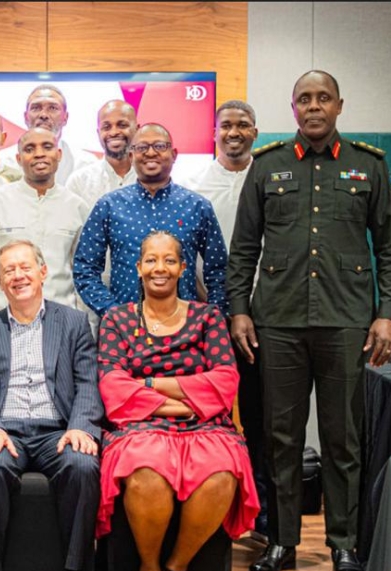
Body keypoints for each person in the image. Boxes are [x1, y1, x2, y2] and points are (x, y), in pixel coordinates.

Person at [228, 71, 391, 571]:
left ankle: (343, 545)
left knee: (342, 439)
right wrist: (240, 309)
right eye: (304, 99)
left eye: (323, 98)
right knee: (280, 437)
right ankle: (281, 542)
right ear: (293, 107)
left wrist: (386, 313)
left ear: (339, 106)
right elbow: (244, 249)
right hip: (276, 322)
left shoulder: (368, 167)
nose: (313, 106)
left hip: (346, 321)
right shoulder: (268, 166)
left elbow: (389, 248)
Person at [96, 230, 260, 571]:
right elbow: (114, 387)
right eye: (151, 260)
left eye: (169, 260)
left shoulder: (208, 318)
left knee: (221, 473)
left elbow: (224, 381)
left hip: (205, 428)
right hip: (140, 427)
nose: (160, 268)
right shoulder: (118, 319)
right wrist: (187, 398)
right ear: (138, 268)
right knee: (146, 471)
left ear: (183, 267)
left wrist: (151, 383)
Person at [0, 240, 103, 571]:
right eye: (9, 270)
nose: (18, 276)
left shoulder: (74, 323)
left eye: (25, 267)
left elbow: (88, 382)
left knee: (83, 465)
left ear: (43, 273)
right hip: (5, 430)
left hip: (56, 430)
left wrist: (80, 427)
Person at [180, 100, 269, 541]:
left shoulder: (270, 176)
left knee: (259, 417)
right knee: (209, 415)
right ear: (213, 131)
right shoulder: (193, 183)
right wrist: (213, 306)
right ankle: (212, 516)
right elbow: (192, 255)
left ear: (256, 131)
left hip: (265, 315)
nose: (234, 133)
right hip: (208, 316)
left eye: (243, 126)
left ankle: (260, 518)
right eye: (226, 126)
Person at [73, 123, 230, 320]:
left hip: (186, 330)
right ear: (131, 156)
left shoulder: (197, 206)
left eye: (159, 146)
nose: (150, 153)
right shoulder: (109, 206)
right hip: (125, 331)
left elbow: (219, 271)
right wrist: (113, 313)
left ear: (174, 154)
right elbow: (84, 269)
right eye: (141, 148)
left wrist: (212, 318)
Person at [0, 127, 90, 327]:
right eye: (30, 149)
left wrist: (85, 328)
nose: (39, 154)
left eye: (47, 147)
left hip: (62, 325)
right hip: (2, 325)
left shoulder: (77, 207)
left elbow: (83, 276)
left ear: (59, 155)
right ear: (19, 159)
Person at [1, 85, 94, 185]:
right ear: (25, 117)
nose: (43, 115)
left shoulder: (86, 165)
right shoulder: (4, 162)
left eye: (53, 108)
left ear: (65, 118)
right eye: (36, 108)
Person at [66, 100, 139, 207]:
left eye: (122, 125)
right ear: (98, 133)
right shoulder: (79, 182)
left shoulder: (154, 179)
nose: (114, 132)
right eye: (106, 127)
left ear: (137, 129)